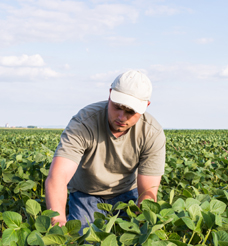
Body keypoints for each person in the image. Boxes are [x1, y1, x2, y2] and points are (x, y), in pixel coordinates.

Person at [45, 70, 166, 233]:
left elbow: (148, 191)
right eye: (117, 107)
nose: (122, 117)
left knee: (131, 243)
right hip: (86, 193)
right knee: (85, 241)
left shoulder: (152, 132)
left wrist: (142, 220)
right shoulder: (84, 122)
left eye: (130, 111)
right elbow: (58, 176)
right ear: (110, 95)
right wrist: (58, 220)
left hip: (127, 193)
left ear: (146, 106)